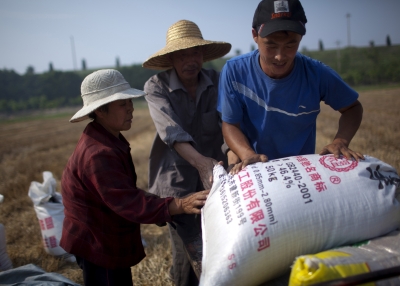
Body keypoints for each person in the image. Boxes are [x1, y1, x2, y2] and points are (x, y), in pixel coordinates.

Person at [60, 69, 210, 286]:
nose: (131, 108)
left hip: (105, 235)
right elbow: (127, 201)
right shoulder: (98, 153)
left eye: (129, 101)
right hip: (97, 241)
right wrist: (178, 205)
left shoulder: (105, 137)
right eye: (123, 104)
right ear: (101, 111)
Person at [218, 0, 364, 174]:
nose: (280, 56)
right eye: (271, 45)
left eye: (290, 45)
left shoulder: (316, 74)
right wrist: (248, 155)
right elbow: (230, 124)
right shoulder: (235, 72)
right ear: (255, 35)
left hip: (299, 171)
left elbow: (352, 108)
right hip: (256, 168)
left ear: (301, 38)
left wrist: (340, 141)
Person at [142, 20, 231, 286]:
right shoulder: (156, 87)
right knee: (188, 250)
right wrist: (202, 164)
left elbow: (229, 122)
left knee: (216, 245)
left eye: (196, 53)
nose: (191, 60)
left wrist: (233, 158)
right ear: (171, 58)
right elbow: (171, 133)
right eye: (183, 54)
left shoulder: (216, 81)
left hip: (216, 178)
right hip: (176, 183)